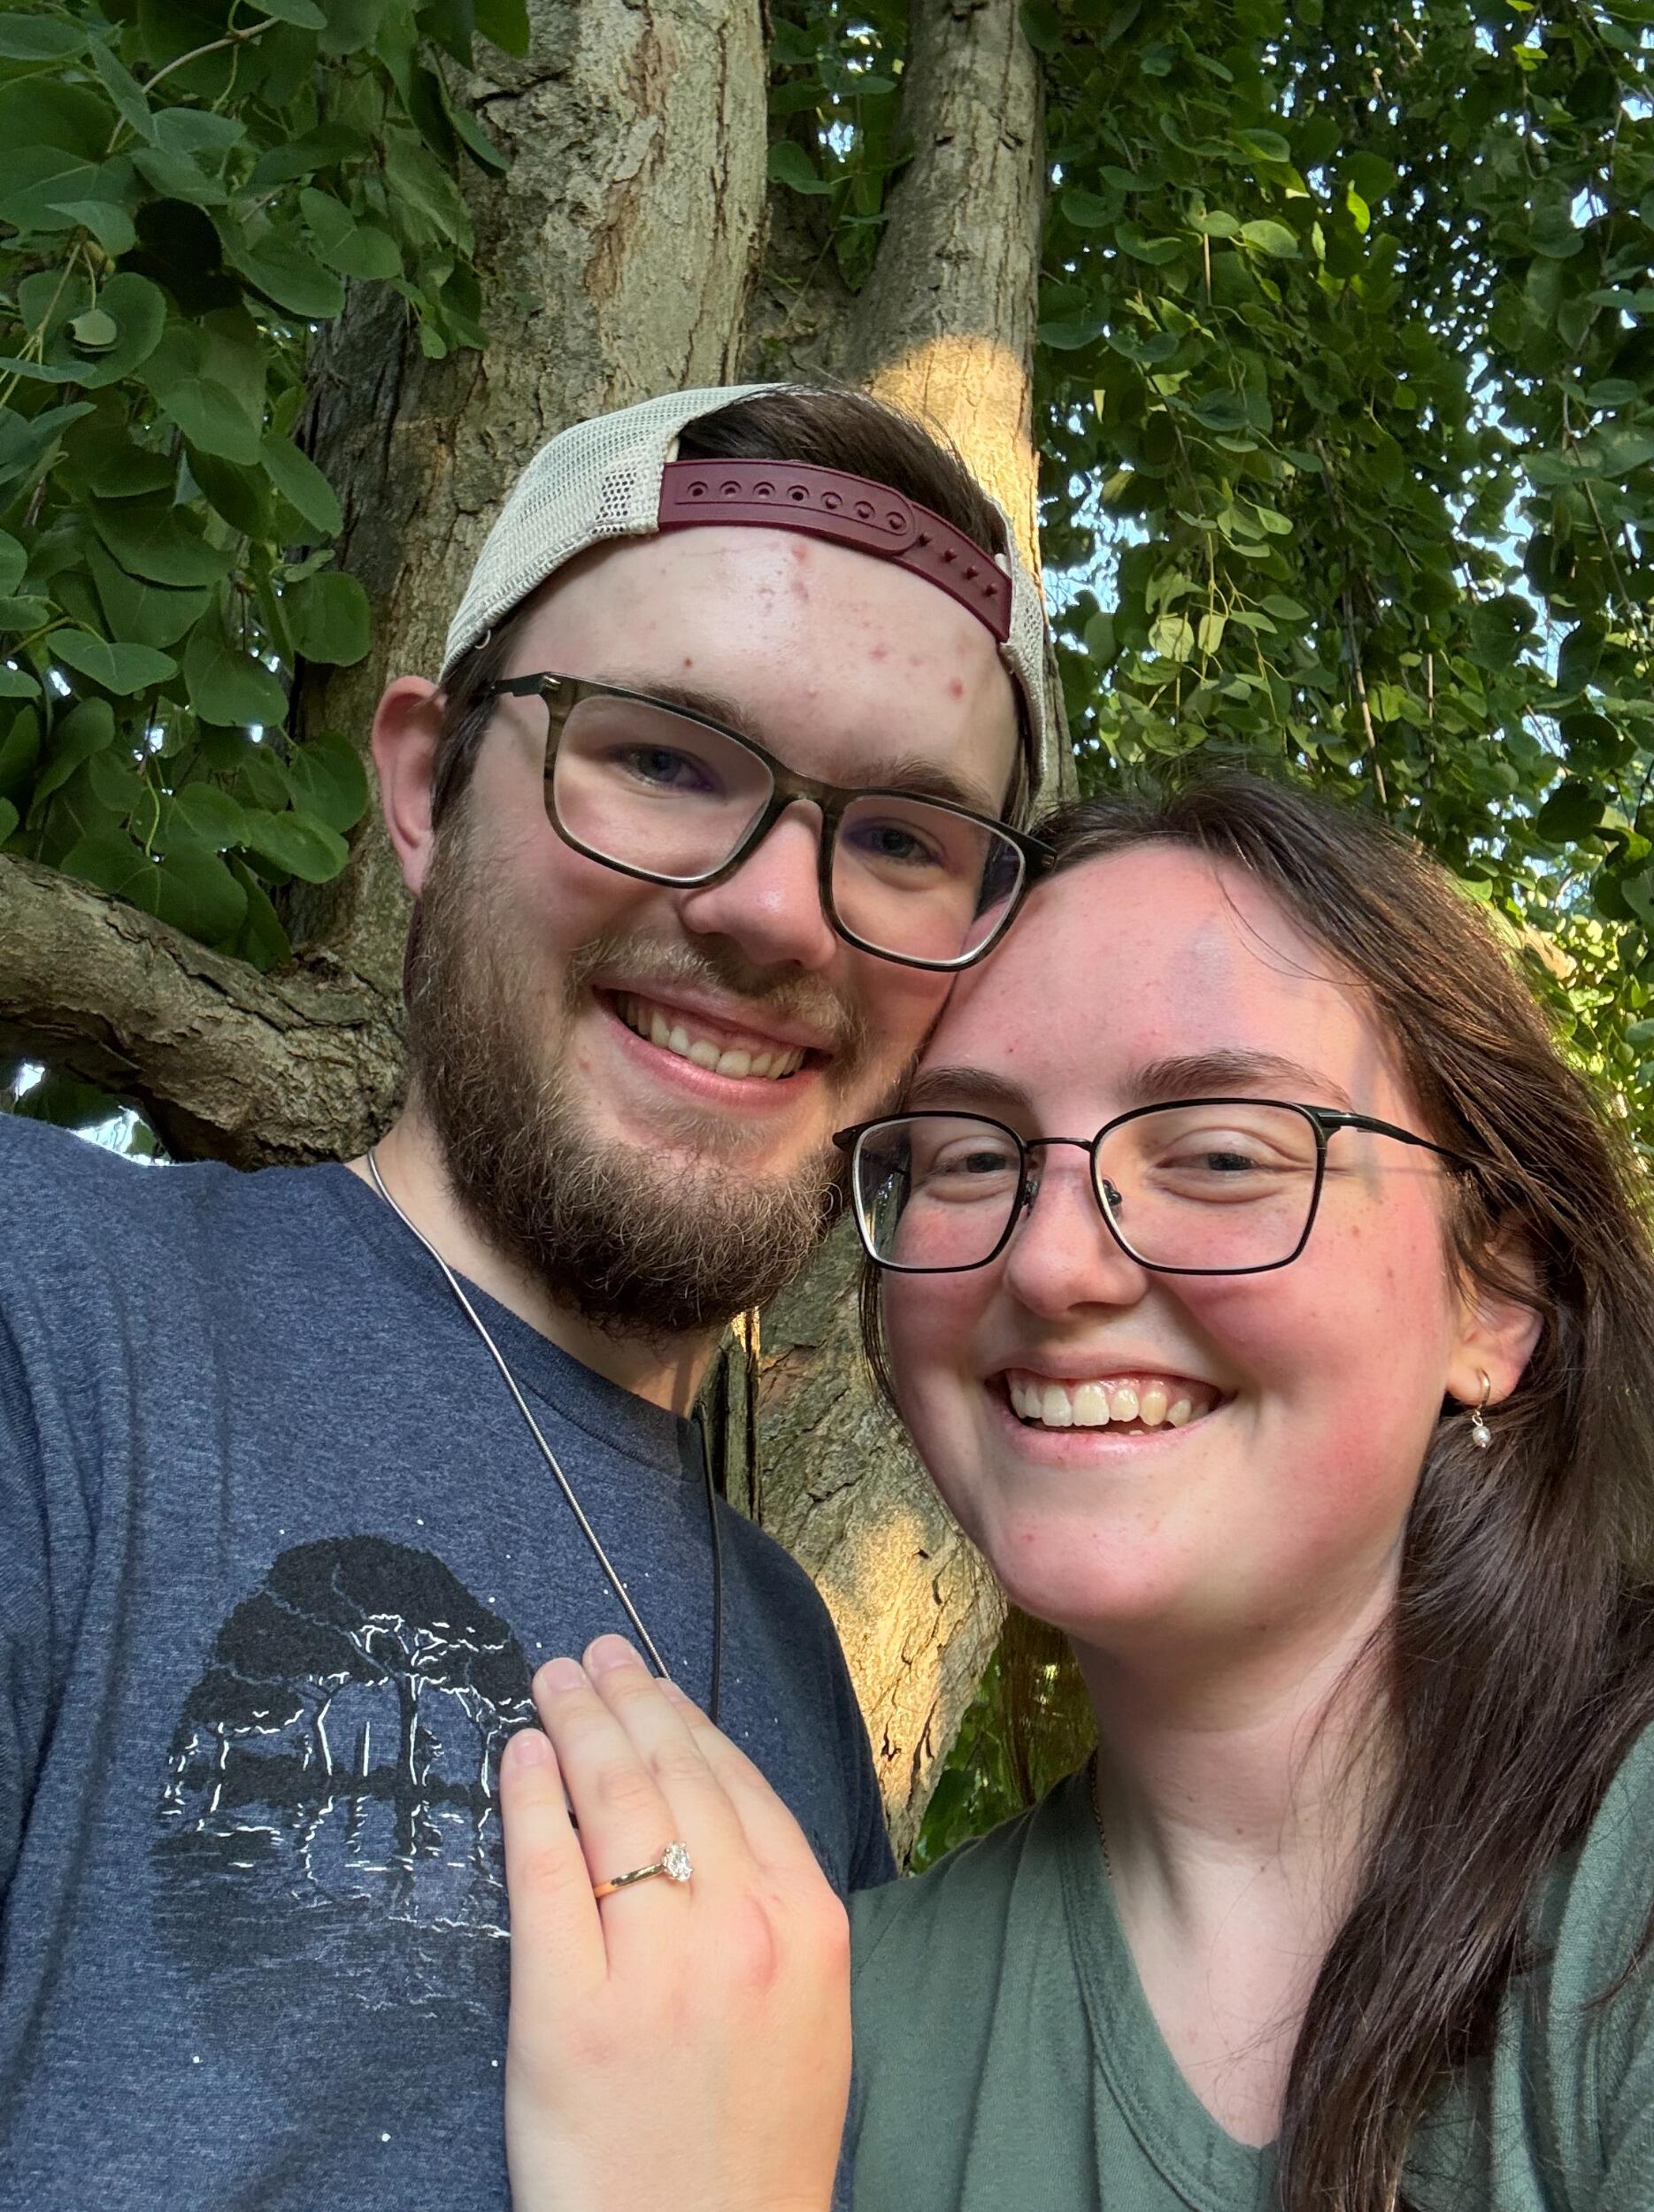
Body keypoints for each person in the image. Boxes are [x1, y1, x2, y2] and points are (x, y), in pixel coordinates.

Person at [0, 382, 1054, 2212]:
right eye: (662, 757)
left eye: (900, 837)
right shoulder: (50, 1321)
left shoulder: (793, 1655)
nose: (783, 915)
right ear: (422, 786)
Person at [497, 773, 1654, 2212]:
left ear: (1494, 1298)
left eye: (1224, 1153)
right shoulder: (816, 2030)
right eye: (974, 1158)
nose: (1050, 1266)